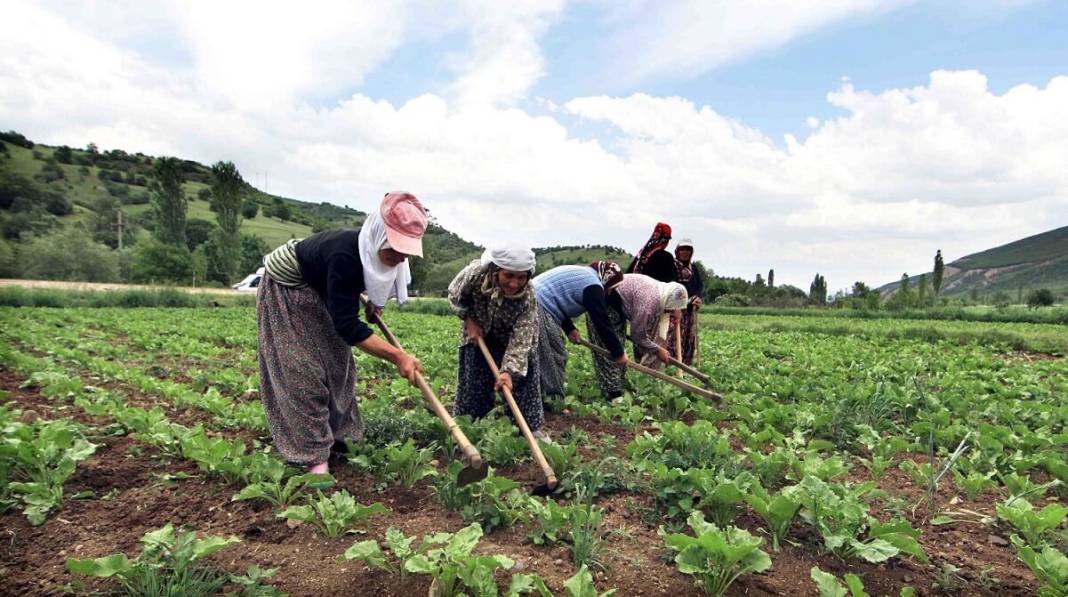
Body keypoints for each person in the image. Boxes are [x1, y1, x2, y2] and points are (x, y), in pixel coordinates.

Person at [257, 192, 425, 475]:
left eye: (405, 252)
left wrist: (375, 302)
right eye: (394, 251)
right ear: (378, 238)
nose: (399, 258)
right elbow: (347, 325)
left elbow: (367, 282)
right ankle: (311, 456)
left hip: (320, 287)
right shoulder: (346, 254)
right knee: (301, 371)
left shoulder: (386, 256)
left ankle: (341, 438)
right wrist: (397, 356)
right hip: (287, 287)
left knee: (338, 365)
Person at [448, 245, 548, 440]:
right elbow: (454, 296)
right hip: (477, 329)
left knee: (522, 381)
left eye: (521, 277)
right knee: (474, 377)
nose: (514, 284)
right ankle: (468, 426)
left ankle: (528, 428)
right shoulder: (475, 275)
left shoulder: (528, 296)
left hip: (511, 337)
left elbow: (522, 337)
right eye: (508, 276)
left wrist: (508, 371)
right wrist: (469, 321)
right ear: (495, 271)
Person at [532, 261, 629, 399]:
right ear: (607, 279)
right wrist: (618, 352)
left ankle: (538, 395)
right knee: (553, 355)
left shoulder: (585, 275)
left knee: (537, 354)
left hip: (537, 301)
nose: (610, 292)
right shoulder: (593, 286)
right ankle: (553, 399)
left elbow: (556, 298)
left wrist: (569, 329)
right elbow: (602, 322)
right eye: (612, 287)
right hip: (538, 306)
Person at [588, 273, 687, 393]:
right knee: (610, 349)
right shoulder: (649, 301)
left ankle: (620, 385)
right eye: (671, 310)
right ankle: (612, 393)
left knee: (618, 345)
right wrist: (657, 350)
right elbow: (637, 335)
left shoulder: (662, 291)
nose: (670, 313)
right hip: (602, 304)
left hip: (617, 304)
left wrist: (676, 309)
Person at [666, 238, 703, 365]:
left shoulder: (694, 268)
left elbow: (698, 286)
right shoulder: (672, 266)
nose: (685, 252)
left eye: (688, 250)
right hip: (676, 309)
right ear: (677, 251)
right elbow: (672, 285)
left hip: (690, 310)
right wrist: (677, 305)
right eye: (683, 249)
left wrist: (698, 298)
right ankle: (672, 366)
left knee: (688, 339)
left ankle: (686, 366)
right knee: (674, 339)